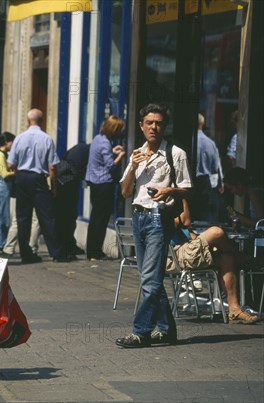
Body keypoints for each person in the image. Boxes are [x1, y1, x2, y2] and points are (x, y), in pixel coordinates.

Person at [117, 103, 192, 348]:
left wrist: (169, 190)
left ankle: (141, 332)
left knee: (149, 278)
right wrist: (134, 167)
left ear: (164, 126)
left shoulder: (175, 153)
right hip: (138, 217)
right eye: (149, 123)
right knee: (150, 278)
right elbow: (126, 192)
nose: (154, 127)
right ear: (141, 126)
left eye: (158, 123)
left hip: (160, 218)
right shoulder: (136, 153)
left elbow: (188, 188)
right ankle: (167, 330)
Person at [168, 199, 259, 324]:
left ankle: (234, 309)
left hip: (189, 251)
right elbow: (186, 221)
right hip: (177, 255)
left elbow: (188, 231)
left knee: (227, 258)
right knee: (216, 232)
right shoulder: (162, 204)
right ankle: (244, 259)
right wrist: (182, 195)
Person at [7, 108, 68, 263]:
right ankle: (56, 253)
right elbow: (52, 167)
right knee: (47, 217)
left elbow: (10, 163)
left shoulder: (19, 138)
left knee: (23, 218)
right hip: (39, 179)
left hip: (22, 178)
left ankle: (25, 254)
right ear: (42, 121)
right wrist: (53, 187)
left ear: (28, 121)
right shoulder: (47, 139)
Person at [85, 116, 126, 260]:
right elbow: (110, 165)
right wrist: (121, 155)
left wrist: (112, 151)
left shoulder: (98, 138)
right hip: (103, 183)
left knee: (95, 217)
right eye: (119, 129)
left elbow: (102, 157)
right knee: (101, 219)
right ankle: (95, 252)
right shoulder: (105, 143)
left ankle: (92, 250)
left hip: (94, 182)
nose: (120, 132)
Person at [55, 142, 91, 257]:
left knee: (65, 217)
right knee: (69, 217)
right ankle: (67, 248)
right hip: (69, 183)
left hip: (63, 181)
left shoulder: (81, 148)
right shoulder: (88, 151)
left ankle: (67, 245)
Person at [191, 113, 224, 222]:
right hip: (205, 182)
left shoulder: (189, 141)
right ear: (203, 124)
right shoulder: (211, 143)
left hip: (191, 180)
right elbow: (215, 167)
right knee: (203, 215)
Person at [0, 132, 16, 253]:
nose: (13, 145)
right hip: (1, 185)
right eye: (12, 143)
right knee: (0, 215)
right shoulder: (0, 154)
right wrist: (16, 173)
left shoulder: (0, 154)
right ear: (6, 142)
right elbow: (4, 174)